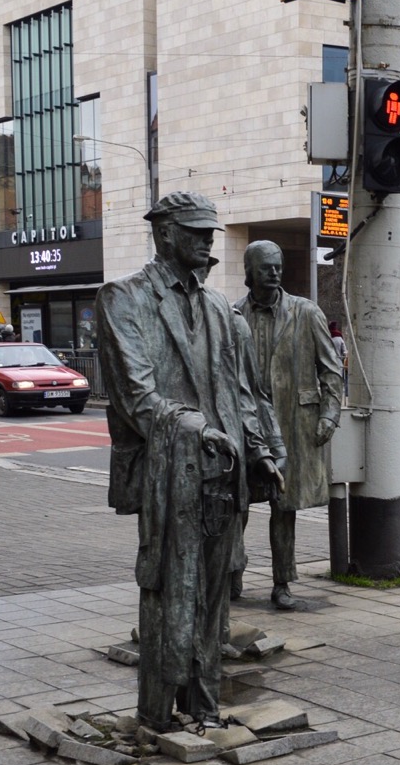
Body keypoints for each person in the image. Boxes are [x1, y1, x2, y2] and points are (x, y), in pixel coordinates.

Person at [95, 192, 284, 731]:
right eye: (197, 231)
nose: (208, 240)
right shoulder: (123, 300)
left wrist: (260, 452)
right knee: (168, 592)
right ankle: (157, 712)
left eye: (210, 231)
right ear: (164, 234)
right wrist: (197, 429)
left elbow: (241, 393)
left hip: (225, 476)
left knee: (217, 594)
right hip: (168, 471)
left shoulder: (221, 309)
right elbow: (136, 397)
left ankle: (204, 704)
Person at [235, 240, 343, 611]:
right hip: (246, 424)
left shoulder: (305, 312)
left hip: (293, 422)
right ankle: (234, 571)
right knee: (238, 503)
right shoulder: (233, 315)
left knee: (285, 508)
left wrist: (330, 413)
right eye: (265, 266)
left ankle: (283, 582)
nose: (274, 272)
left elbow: (330, 369)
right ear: (249, 272)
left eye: (278, 265)